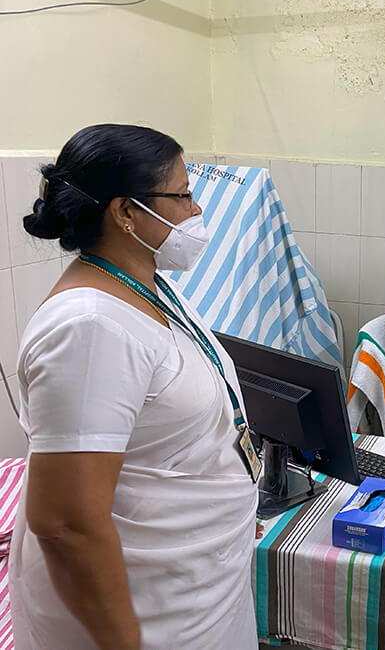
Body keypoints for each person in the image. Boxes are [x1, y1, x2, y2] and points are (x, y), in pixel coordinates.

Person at [9, 124, 259, 649]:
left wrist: (224, 501)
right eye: (183, 196)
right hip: (142, 613)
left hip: (192, 578)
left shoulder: (147, 285)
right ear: (126, 211)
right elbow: (66, 524)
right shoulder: (88, 329)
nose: (196, 210)